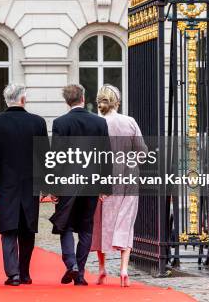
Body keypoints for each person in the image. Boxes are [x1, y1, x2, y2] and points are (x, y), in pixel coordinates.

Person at [0, 84, 48, 286]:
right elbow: (44, 156)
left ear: (7, 100)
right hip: (30, 184)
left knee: (9, 230)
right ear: (23, 99)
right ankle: (25, 272)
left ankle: (13, 274)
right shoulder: (37, 122)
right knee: (27, 230)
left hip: (6, 184)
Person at [49, 84, 109, 286]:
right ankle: (80, 273)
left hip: (67, 182)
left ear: (67, 101)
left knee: (64, 225)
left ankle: (71, 264)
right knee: (86, 227)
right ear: (83, 98)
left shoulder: (60, 123)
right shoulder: (99, 123)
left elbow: (55, 157)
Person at [90, 84, 147, 287]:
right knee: (125, 221)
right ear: (118, 102)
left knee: (100, 221)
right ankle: (123, 269)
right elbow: (141, 150)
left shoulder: (96, 123)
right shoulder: (129, 121)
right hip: (128, 177)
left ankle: (102, 268)